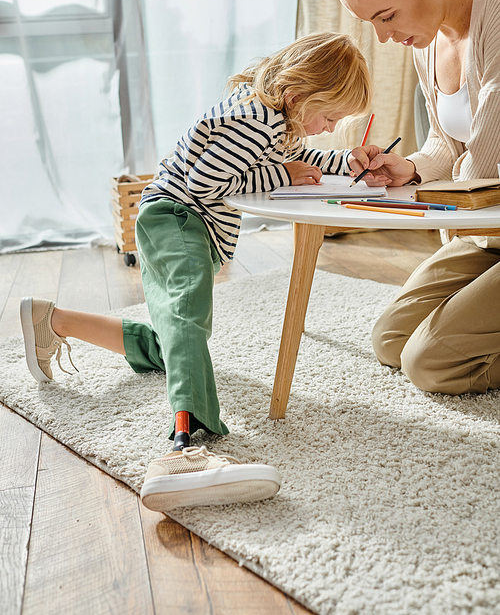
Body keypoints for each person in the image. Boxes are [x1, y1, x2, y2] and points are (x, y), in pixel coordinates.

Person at [20, 31, 372, 513]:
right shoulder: (253, 120)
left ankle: (53, 321)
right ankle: (186, 446)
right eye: (330, 118)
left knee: (172, 336)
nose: (330, 128)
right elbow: (205, 183)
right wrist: (284, 175)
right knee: (186, 319)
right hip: (177, 216)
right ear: (298, 95)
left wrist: (346, 161)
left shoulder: (276, 118)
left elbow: (292, 156)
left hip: (185, 221)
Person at [328, 0, 500, 396]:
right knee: (391, 342)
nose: (384, 38)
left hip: (487, 221)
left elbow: (484, 163)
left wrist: (438, 184)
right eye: (371, 23)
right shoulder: (428, 40)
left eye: (386, 16)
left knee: (429, 364)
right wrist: (410, 168)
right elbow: (449, 145)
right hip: (486, 231)